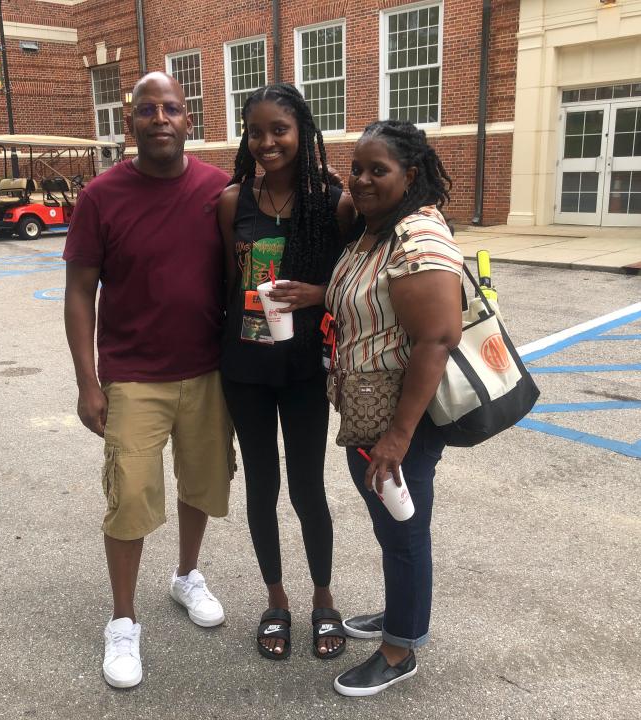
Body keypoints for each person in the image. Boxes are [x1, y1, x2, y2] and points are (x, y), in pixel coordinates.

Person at [63, 72, 235, 689]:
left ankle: (187, 576)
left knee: (201, 483)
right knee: (130, 497)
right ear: (129, 122)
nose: (159, 118)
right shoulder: (101, 197)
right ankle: (124, 620)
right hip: (133, 376)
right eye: (146, 109)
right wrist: (88, 380)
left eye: (171, 108)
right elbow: (80, 291)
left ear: (190, 120)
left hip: (208, 369)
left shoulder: (220, 190)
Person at [324, 120, 463, 697]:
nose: (361, 179)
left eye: (377, 170)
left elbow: (437, 339)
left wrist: (400, 437)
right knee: (394, 527)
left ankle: (400, 648)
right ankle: (399, 613)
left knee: (406, 533)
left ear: (411, 174)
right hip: (368, 411)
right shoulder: (377, 231)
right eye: (356, 168)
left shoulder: (417, 238)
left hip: (400, 420)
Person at [217, 83, 355, 661]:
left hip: (301, 369)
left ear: (302, 132)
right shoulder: (233, 201)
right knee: (261, 487)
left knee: (306, 487)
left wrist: (317, 293)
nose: (268, 141)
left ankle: (324, 598)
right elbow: (229, 280)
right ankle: (277, 599)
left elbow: (353, 277)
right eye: (257, 132)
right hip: (246, 367)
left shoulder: (331, 200)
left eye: (280, 130)